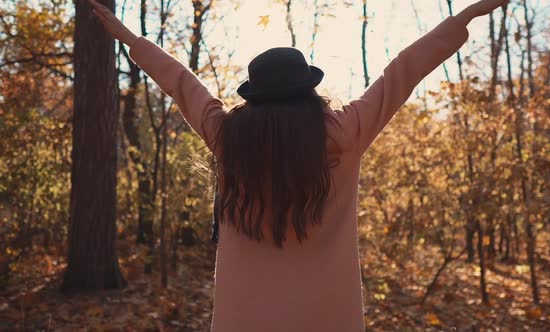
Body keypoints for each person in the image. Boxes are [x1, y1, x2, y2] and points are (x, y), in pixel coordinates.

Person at [89, 0, 509, 330]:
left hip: (245, 315)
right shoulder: (345, 132)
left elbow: (182, 84)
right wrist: (466, 15)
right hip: (327, 313)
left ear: (255, 95)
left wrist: (130, 37)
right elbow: (403, 70)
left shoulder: (229, 137)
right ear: (308, 88)